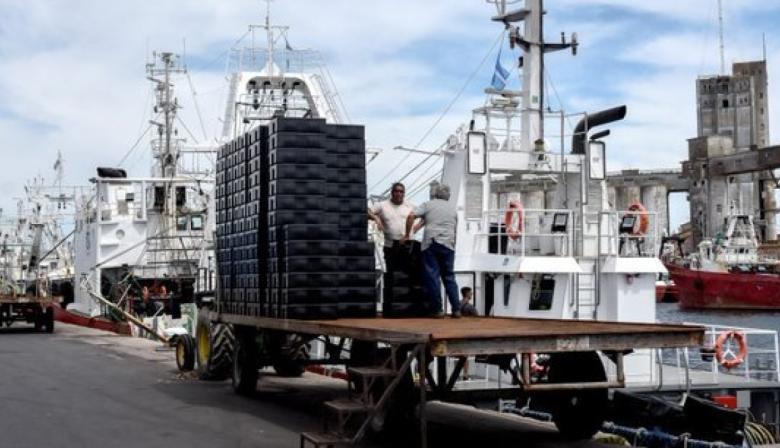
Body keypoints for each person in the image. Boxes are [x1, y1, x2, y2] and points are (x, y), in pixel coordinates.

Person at [404, 183, 460, 318]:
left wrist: (407, 234)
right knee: (449, 277)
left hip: (431, 243)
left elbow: (411, 216)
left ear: (435, 193)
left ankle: (438, 310)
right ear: (448, 195)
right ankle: (456, 310)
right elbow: (454, 229)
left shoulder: (428, 204)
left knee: (433, 277)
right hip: (449, 245)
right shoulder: (453, 209)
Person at [368, 182, 416, 273]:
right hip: (390, 245)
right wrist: (376, 218)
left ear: (404, 193)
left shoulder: (410, 206)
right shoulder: (382, 205)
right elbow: (366, 210)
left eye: (401, 192)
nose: (399, 194)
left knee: (407, 273)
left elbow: (424, 216)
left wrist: (415, 228)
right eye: (396, 191)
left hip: (407, 244)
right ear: (392, 192)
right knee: (390, 272)